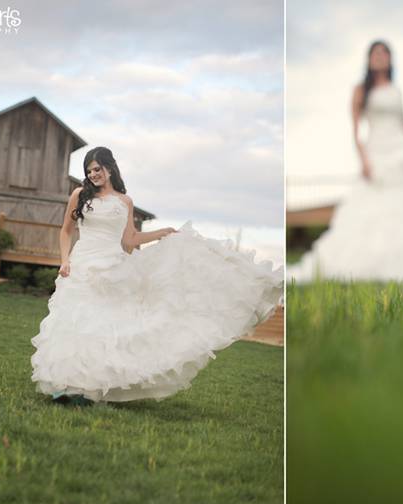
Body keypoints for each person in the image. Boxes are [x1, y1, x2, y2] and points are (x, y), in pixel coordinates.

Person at [31, 146, 283, 405]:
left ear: (110, 167)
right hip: (82, 264)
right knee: (74, 322)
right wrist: (64, 261)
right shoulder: (79, 195)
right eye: (89, 171)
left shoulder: (124, 201)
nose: (93, 174)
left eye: (97, 169)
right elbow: (65, 231)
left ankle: (89, 389)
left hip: (113, 268)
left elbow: (129, 240)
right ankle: (65, 385)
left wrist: (162, 233)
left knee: (102, 327)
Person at [287, 40, 403, 283]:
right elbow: (355, 130)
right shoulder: (360, 90)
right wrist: (364, 159)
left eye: (384, 54)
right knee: (375, 208)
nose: (380, 58)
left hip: (401, 153)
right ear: (368, 59)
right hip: (377, 152)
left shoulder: (395, 90)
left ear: (390, 59)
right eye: (375, 53)